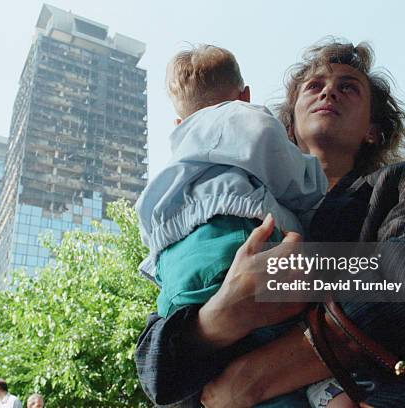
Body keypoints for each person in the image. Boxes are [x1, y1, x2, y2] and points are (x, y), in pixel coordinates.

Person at [135, 39, 405, 408]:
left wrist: (252, 377)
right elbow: (155, 370)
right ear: (289, 126)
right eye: (314, 86)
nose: (328, 90)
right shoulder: (237, 213)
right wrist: (221, 316)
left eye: (348, 86)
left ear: (373, 129)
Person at [135, 44, 328, 406]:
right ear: (245, 96)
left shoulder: (174, 162)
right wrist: (313, 186)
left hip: (176, 273)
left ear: (179, 123)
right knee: (271, 332)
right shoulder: (246, 116)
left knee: (208, 368)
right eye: (314, 87)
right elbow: (287, 175)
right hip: (235, 243)